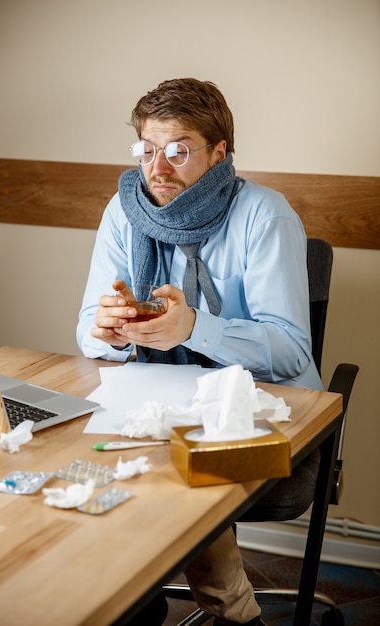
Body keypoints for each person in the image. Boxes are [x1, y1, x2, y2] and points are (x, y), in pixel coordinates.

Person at [77, 78, 323, 626]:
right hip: (157, 399)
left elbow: (288, 351)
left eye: (179, 151)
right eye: (148, 150)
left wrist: (194, 328)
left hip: (260, 406)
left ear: (219, 153)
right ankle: (149, 605)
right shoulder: (123, 213)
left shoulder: (265, 215)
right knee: (88, 460)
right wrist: (110, 331)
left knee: (166, 474)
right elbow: (86, 333)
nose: (158, 170)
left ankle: (220, 613)